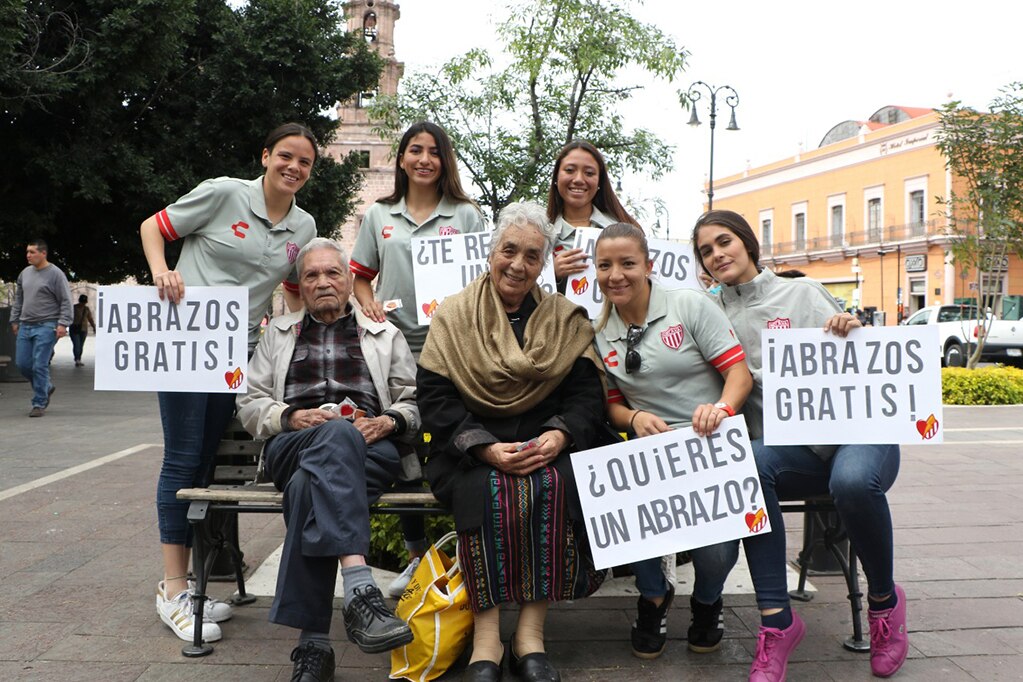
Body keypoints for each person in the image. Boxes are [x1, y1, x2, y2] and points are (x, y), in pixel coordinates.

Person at [692, 210, 907, 681]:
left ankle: (884, 602)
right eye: (706, 251)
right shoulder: (707, 311)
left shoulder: (804, 292)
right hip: (792, 448)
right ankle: (777, 622)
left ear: (748, 242)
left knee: (852, 481)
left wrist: (851, 329)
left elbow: (866, 361)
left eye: (724, 241)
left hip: (858, 433)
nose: (717, 255)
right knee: (748, 467)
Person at [139, 123, 319, 644]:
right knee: (182, 458)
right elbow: (153, 227)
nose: (293, 167)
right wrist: (161, 271)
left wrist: (296, 337)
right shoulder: (223, 194)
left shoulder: (304, 226)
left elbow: (292, 291)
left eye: (304, 162)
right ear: (265, 156)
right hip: (185, 341)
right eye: (285, 156)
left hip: (237, 356)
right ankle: (174, 589)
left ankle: (189, 586)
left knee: (204, 462)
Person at [417, 202, 612, 682]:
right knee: (483, 487)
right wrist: (483, 448)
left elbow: (587, 396)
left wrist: (560, 434)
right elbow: (435, 399)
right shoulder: (454, 315)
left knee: (555, 484)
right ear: (490, 253)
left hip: (548, 446)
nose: (518, 265)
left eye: (531, 255)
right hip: (472, 448)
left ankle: (530, 636)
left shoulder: (564, 319)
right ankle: (487, 640)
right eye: (509, 250)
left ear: (543, 264)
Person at [236, 238, 417, 682]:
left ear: (350, 280)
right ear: (300, 285)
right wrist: (288, 416)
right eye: (312, 275)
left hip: (370, 447)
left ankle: (314, 645)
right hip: (293, 444)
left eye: (332, 273)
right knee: (333, 435)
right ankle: (360, 589)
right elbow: (249, 402)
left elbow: (414, 400)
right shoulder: (278, 334)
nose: (322, 283)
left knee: (307, 486)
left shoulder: (384, 334)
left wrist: (389, 421)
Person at [592, 222, 753, 659]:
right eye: (605, 266)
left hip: (710, 445)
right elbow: (612, 406)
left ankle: (707, 600)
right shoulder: (598, 331)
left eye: (627, 263)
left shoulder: (690, 305)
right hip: (650, 454)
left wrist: (721, 409)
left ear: (649, 265)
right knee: (630, 521)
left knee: (715, 553)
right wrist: (635, 416)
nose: (616, 275)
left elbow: (739, 375)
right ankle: (653, 598)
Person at [350, 120, 485, 597]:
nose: (424, 159)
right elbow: (361, 275)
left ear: (445, 161)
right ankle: (414, 558)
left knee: (454, 445)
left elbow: (482, 283)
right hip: (394, 347)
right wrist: (367, 301)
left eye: (434, 151)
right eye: (415, 150)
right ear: (402, 158)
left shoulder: (465, 214)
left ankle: (465, 557)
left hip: (452, 349)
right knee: (404, 449)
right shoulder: (378, 214)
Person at [545, 140, 640, 291]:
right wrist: (551, 274)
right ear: (556, 177)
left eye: (589, 173)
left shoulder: (625, 231)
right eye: (569, 170)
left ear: (599, 181)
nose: (578, 179)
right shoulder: (540, 233)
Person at [11, 239, 72, 417]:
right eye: (27, 252)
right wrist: (15, 320)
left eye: (32, 252)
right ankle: (46, 386)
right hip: (25, 325)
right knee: (23, 364)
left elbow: (66, 300)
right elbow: (19, 299)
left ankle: (39, 402)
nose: (28, 255)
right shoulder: (24, 274)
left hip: (47, 325)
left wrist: (63, 323)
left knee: (39, 364)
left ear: (43, 253)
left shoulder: (55, 274)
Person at [70, 294, 96, 367]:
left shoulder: (86, 309)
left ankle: (78, 358)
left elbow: (90, 319)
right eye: (82, 301)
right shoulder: (73, 308)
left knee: (81, 345)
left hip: (83, 329)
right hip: (74, 329)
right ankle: (77, 359)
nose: (83, 303)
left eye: (84, 302)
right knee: (77, 344)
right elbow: (69, 317)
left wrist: (94, 327)